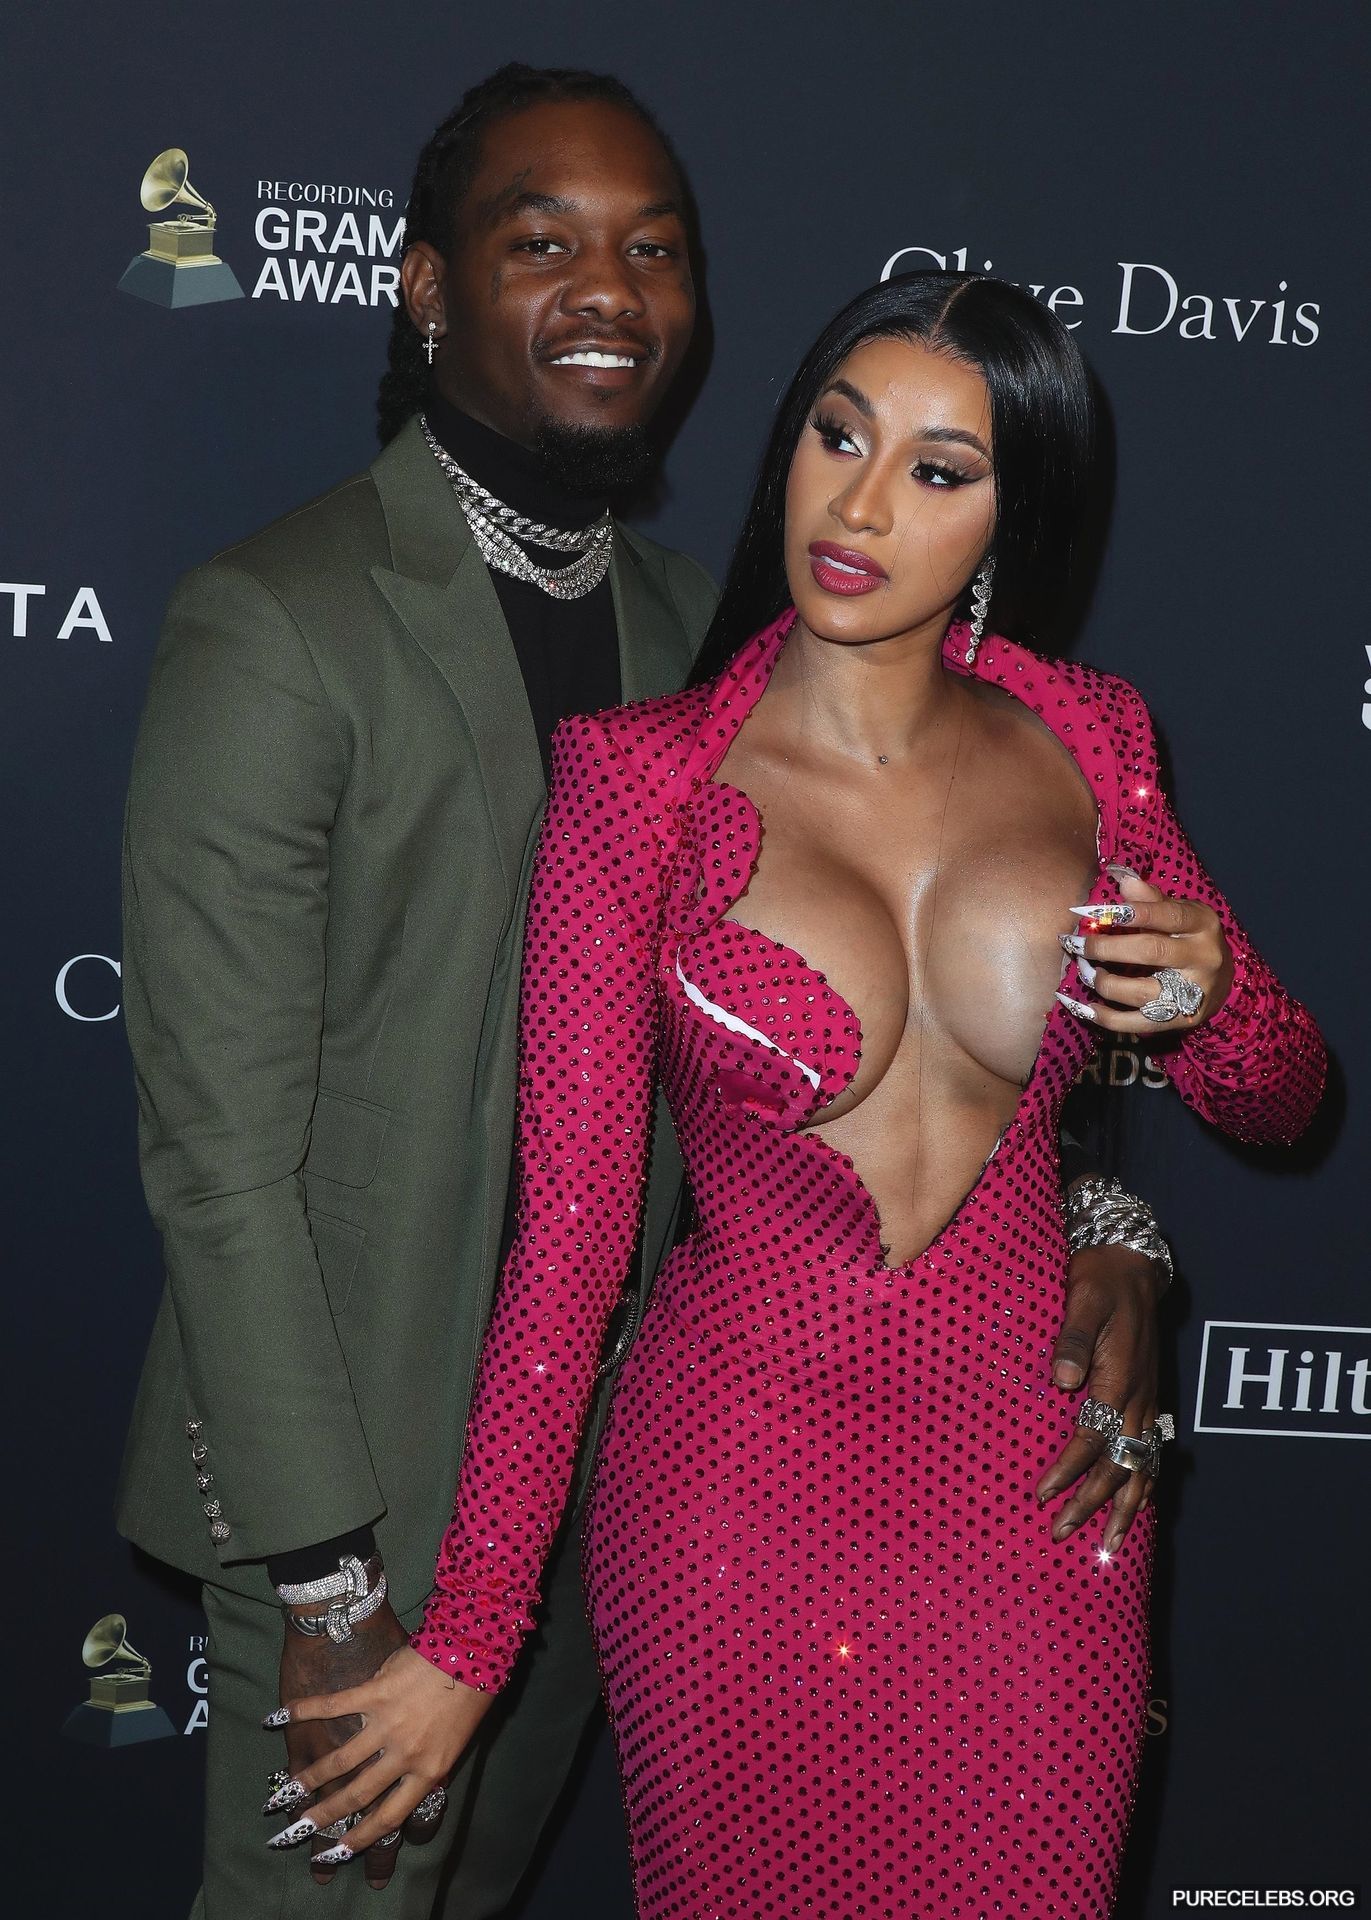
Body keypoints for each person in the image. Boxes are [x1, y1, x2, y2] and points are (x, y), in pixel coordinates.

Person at [119, 57, 1168, 1914]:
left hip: (636, 1480)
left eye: (654, 250)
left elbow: (913, 1033)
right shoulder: (280, 623)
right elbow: (218, 1161)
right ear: (426, 285)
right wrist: (328, 1574)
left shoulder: (712, 634)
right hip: (362, 1488)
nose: (608, 288)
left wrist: (1103, 1228)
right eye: (543, 241)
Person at [274, 273, 1325, 1918]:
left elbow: (1283, 1104)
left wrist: (1217, 1002)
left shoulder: (1098, 742)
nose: (861, 502)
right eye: (842, 435)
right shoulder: (637, 783)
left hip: (1036, 1508)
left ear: (1012, 512)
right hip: (732, 1502)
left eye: (938, 468)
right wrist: (471, 1639)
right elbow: (569, 1248)